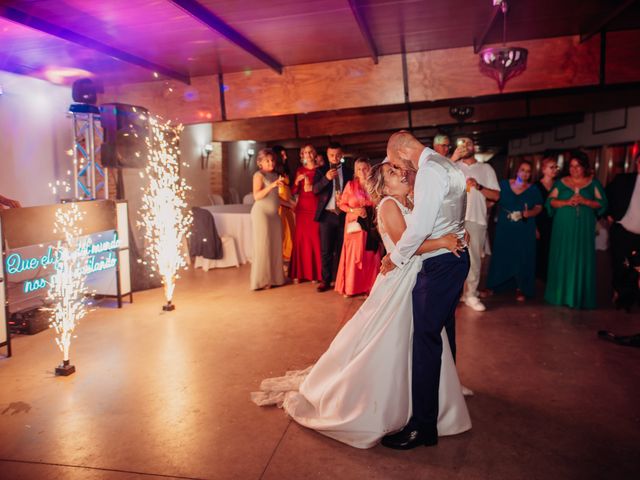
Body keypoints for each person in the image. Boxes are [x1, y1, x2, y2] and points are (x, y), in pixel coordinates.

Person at [252, 161, 471, 449]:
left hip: (414, 278)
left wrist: (452, 234)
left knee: (418, 342)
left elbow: (420, 235)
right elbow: (408, 246)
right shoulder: (390, 205)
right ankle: (377, 403)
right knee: (389, 342)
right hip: (399, 284)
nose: (402, 174)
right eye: (393, 173)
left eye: (400, 171)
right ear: (383, 186)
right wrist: (444, 241)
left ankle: (424, 403)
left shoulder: (411, 202)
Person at [379, 130, 470, 450]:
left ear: (403, 152)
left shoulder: (430, 171)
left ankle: (423, 425)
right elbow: (456, 210)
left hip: (440, 265)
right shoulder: (447, 165)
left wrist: (395, 257)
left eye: (394, 162)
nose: (399, 169)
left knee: (426, 341)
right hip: (453, 259)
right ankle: (447, 401)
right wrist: (459, 233)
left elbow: (419, 227)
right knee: (445, 333)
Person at [545, 151, 608, 309]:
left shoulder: (593, 183)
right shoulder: (561, 182)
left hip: (583, 229)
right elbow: (550, 201)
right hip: (563, 228)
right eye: (571, 166)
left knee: (581, 257)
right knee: (563, 256)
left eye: (577, 166)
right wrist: (566, 202)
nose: (574, 169)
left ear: (584, 167)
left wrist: (585, 201)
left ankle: (579, 295)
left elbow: (602, 203)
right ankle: (559, 294)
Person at [485, 161, 543, 301]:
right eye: (522, 170)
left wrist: (530, 213)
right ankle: (494, 285)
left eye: (528, 171)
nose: (525, 173)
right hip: (505, 227)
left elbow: (539, 207)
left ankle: (521, 288)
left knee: (522, 256)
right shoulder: (504, 185)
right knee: (501, 254)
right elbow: (493, 200)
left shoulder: (533, 189)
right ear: (517, 171)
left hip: (525, 227)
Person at [455, 137, 500, 312]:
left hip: (476, 218)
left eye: (469, 143)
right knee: (453, 258)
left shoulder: (485, 168)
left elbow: (496, 196)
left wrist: (479, 187)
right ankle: (457, 293)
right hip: (454, 219)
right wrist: (453, 158)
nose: (465, 147)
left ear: (474, 146)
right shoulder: (454, 166)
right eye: (462, 144)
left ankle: (471, 294)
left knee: (473, 259)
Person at [334, 158, 381, 297]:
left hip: (371, 225)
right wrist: (355, 211)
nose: (362, 172)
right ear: (355, 171)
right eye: (359, 169)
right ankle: (351, 288)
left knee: (370, 255)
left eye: (365, 168)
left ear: (370, 168)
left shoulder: (375, 184)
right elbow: (342, 205)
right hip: (354, 226)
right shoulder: (351, 185)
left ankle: (370, 288)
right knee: (354, 256)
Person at [313, 142, 353, 292]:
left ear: (341, 155)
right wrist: (326, 179)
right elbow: (315, 190)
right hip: (327, 215)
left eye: (337, 155)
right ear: (327, 155)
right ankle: (326, 280)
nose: (335, 158)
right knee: (326, 250)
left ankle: (341, 279)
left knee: (342, 248)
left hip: (343, 215)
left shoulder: (349, 171)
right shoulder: (321, 171)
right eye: (331, 155)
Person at [605, 153, 640, 311]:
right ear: (637, 164)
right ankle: (621, 296)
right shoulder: (623, 180)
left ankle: (632, 299)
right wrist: (608, 214)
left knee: (636, 269)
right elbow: (605, 196)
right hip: (623, 232)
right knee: (621, 266)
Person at [250, 149, 286, 291]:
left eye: (272, 160)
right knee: (263, 246)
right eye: (267, 160)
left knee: (276, 246)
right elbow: (257, 196)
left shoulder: (275, 175)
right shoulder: (258, 175)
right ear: (260, 163)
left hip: (274, 215)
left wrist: (292, 205)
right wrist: (271, 185)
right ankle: (261, 281)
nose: (271, 163)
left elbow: (276, 198)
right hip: (261, 214)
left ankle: (276, 278)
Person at [289, 145, 322, 282]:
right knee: (301, 240)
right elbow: (293, 192)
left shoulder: (320, 170)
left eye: (310, 152)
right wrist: (296, 181)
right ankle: (300, 274)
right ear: (302, 155)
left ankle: (315, 274)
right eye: (305, 152)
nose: (307, 154)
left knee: (315, 239)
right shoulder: (300, 170)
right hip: (302, 208)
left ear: (314, 154)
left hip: (315, 207)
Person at [534, 157, 559, 281]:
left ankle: (550, 276)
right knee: (540, 250)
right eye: (551, 167)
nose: (554, 170)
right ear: (543, 169)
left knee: (552, 249)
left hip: (554, 221)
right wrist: (534, 227)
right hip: (540, 221)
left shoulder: (559, 185)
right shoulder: (536, 186)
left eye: (556, 167)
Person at [272, 145, 296, 265]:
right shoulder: (274, 174)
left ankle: (289, 259)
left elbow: (287, 190)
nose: (285, 156)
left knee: (290, 233)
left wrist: (292, 201)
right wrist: (288, 203)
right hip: (281, 207)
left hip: (287, 206)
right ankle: (282, 261)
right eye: (283, 155)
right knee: (284, 234)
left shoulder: (283, 171)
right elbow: (275, 195)